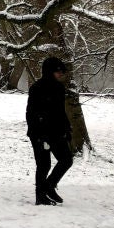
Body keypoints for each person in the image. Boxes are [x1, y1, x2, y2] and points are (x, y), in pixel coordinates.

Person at [26, 56, 74, 205]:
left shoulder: (59, 88)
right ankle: (40, 196)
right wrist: (40, 135)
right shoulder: (37, 88)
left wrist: (67, 129)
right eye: (58, 71)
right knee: (44, 164)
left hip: (56, 132)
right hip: (39, 133)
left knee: (66, 159)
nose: (60, 74)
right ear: (49, 71)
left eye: (61, 72)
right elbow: (31, 113)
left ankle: (49, 186)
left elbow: (60, 111)